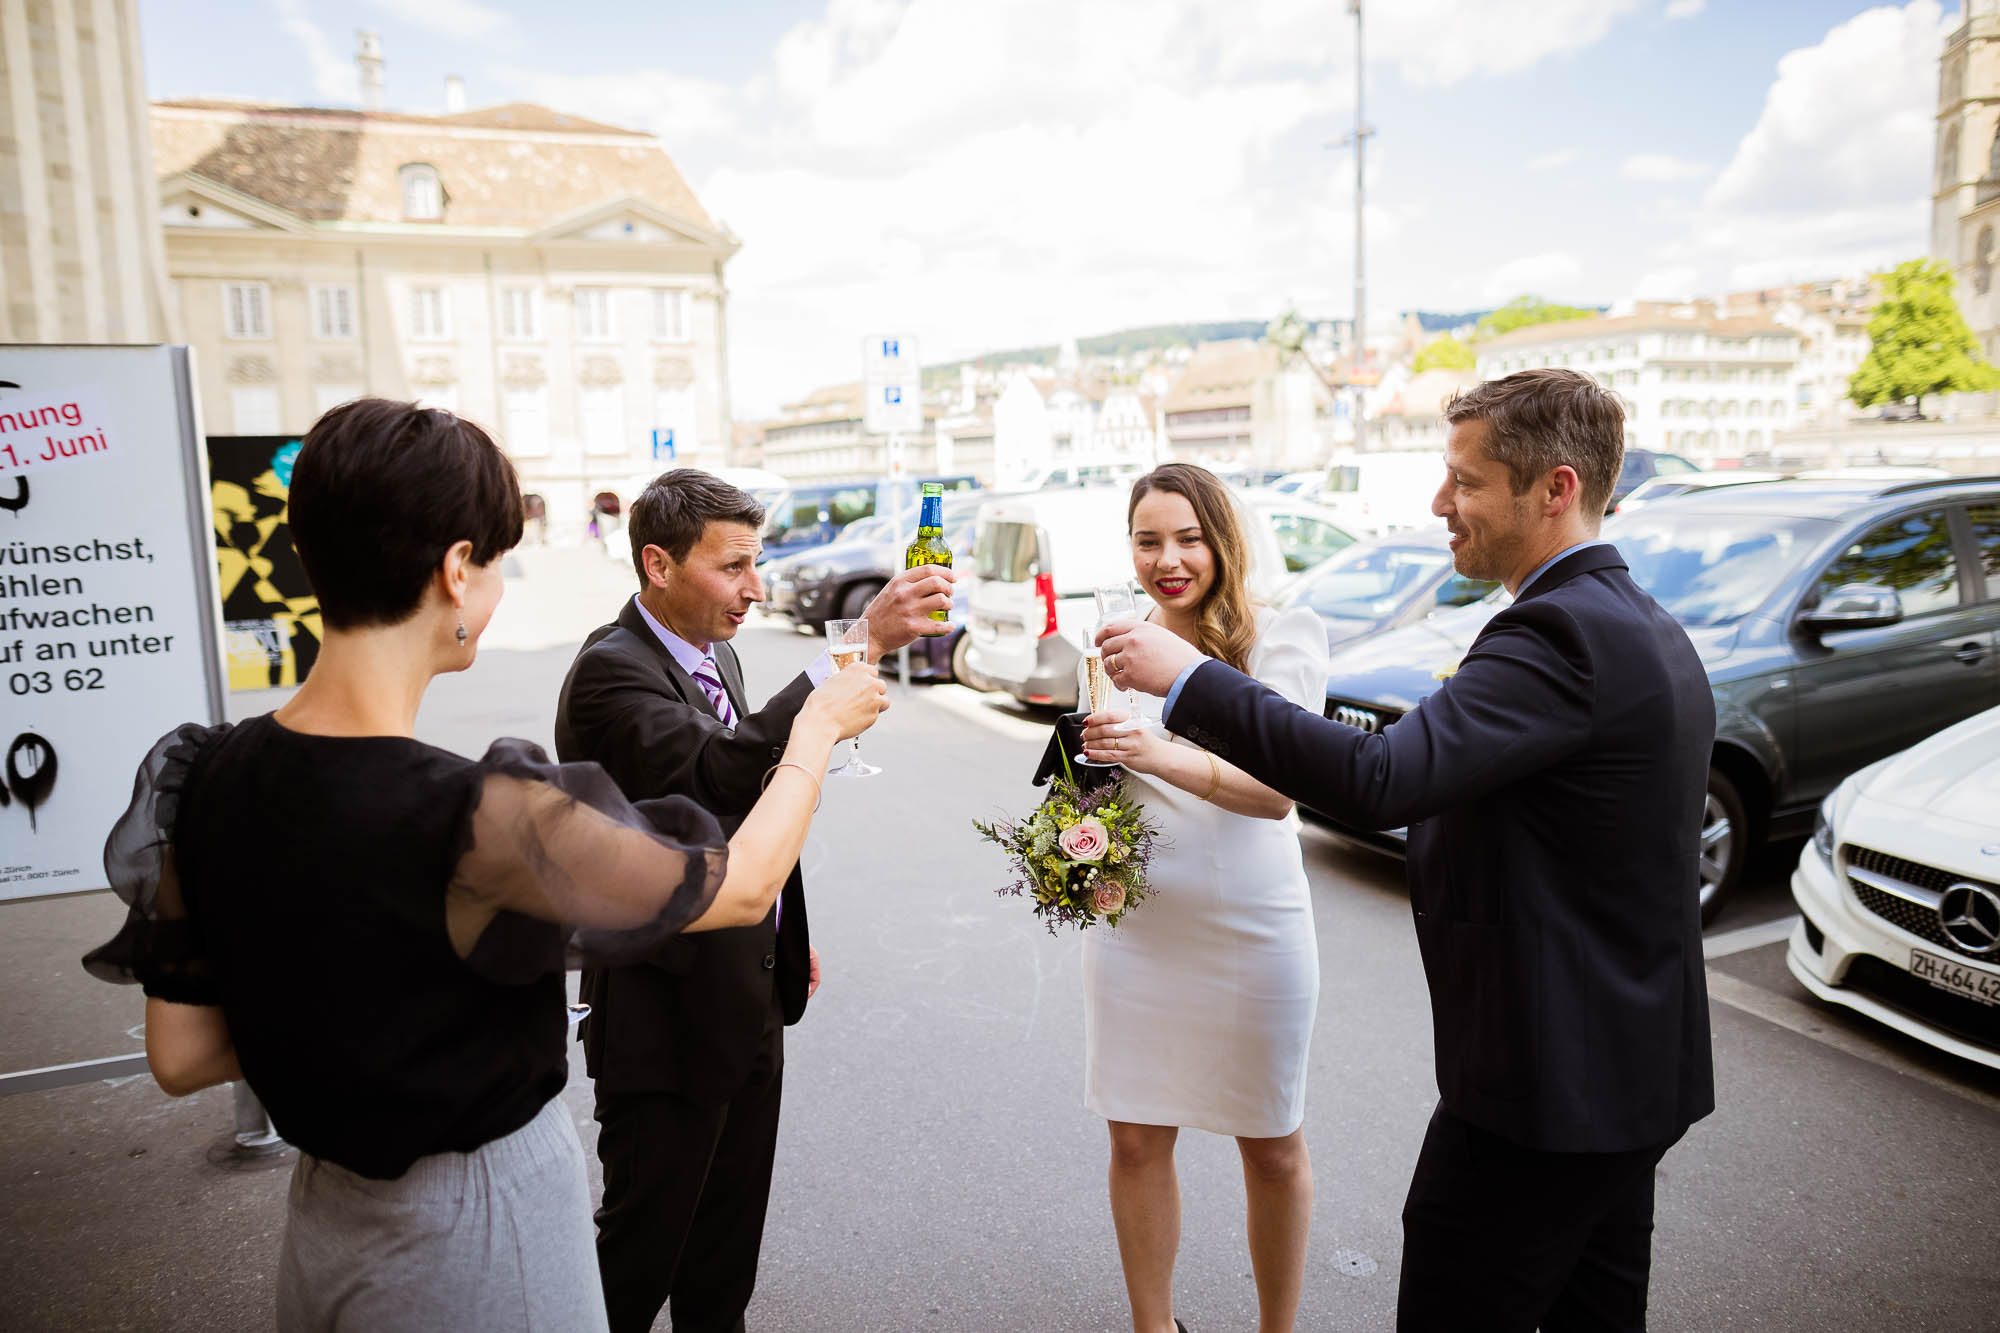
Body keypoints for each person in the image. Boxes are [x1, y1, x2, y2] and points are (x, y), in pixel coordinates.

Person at [80, 399, 888, 1333]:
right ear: (456, 570)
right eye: (497, 561)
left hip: (326, 1233)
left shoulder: (202, 775)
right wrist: (816, 729)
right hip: (481, 1233)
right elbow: (740, 884)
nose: (498, 588)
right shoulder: (478, 812)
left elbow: (181, 1057)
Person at [1095, 368, 1715, 1332]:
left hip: (1543, 1089)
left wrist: (1188, 684)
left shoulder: (1560, 633)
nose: (1439, 503)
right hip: (1621, 1073)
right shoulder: (1636, 622)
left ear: (1553, 488)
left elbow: (1381, 777)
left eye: (1464, 481)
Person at [554, 469, 954, 1333]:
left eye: (757, 562)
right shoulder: (610, 673)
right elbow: (718, 768)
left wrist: (782, 930)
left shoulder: (715, 654)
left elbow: (745, 811)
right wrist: (862, 639)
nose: (755, 588)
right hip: (662, 1022)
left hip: (743, 995)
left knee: (724, 1258)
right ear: (657, 564)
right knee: (638, 1257)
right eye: (732, 566)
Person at [1076, 464, 1331, 1333]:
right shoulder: (1113, 639)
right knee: (1136, 1137)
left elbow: (1276, 790)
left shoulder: (1281, 636)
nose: (1168, 559)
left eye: (1188, 538)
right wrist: (1076, 833)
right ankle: (1154, 1327)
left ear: (1224, 539)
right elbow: (1091, 771)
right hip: (1137, 925)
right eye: (1148, 540)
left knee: (1271, 1144)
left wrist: (1150, 751)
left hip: (1249, 925)